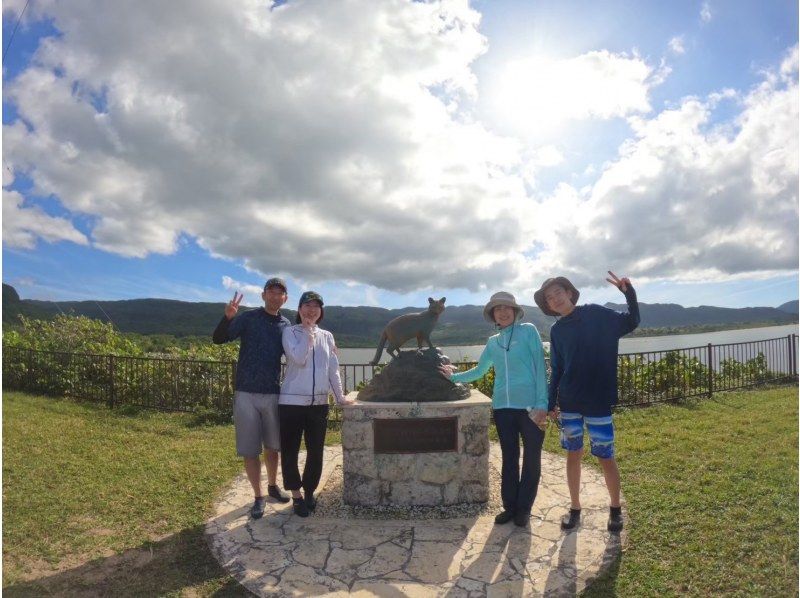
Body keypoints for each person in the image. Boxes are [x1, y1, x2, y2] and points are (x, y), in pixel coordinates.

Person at [535, 271, 640, 533]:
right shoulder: (557, 331)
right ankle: (575, 508)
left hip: (598, 400)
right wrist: (550, 403)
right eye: (549, 298)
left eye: (558, 292)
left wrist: (629, 292)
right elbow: (557, 369)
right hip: (570, 402)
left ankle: (615, 509)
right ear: (548, 306)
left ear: (569, 292)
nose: (555, 299)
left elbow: (631, 322)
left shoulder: (595, 314)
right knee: (573, 455)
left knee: (605, 456)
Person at [440, 292, 548, 527]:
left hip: (531, 407)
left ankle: (524, 508)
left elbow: (540, 367)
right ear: (493, 315)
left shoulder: (528, 331)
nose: (503, 311)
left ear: (515, 311)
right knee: (509, 458)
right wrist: (452, 376)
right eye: (497, 308)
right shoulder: (492, 342)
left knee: (532, 459)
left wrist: (542, 404)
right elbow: (479, 371)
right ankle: (509, 507)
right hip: (502, 408)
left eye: (507, 307)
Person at [212, 278, 291, 519]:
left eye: (280, 293)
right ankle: (257, 496)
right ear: (263, 294)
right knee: (250, 449)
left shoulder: (286, 325)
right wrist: (227, 318)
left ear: (285, 298)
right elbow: (219, 339)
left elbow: (297, 354)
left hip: (272, 392)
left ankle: (272, 486)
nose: (275, 296)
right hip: (245, 392)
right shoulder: (247, 318)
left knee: (273, 446)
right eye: (271, 292)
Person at [279, 291, 353, 517]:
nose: (311, 310)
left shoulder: (328, 336)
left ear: (321, 311)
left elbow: (332, 370)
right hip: (291, 402)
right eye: (307, 305)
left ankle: (309, 491)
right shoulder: (289, 332)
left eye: (316, 306)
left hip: (319, 403)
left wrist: (339, 397)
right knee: (290, 450)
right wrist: (309, 335)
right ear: (299, 309)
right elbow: (298, 359)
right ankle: (296, 495)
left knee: (315, 451)